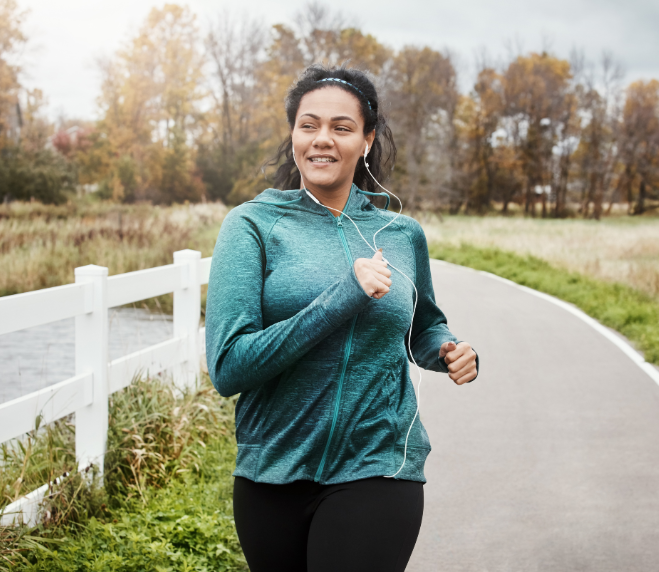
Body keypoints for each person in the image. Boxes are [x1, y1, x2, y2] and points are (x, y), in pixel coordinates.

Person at [205, 64, 479, 572]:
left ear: (367, 140)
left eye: (341, 127)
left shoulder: (401, 233)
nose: (322, 140)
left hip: (379, 465)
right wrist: (342, 297)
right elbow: (228, 367)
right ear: (293, 136)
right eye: (308, 125)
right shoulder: (252, 226)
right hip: (273, 469)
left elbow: (424, 326)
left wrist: (447, 349)